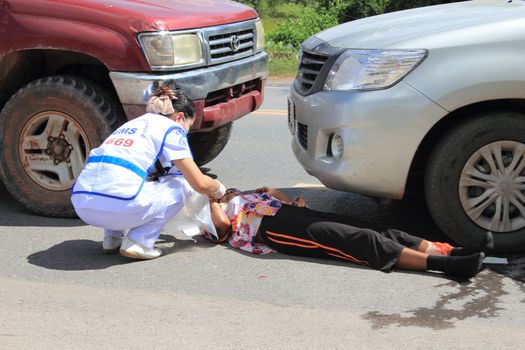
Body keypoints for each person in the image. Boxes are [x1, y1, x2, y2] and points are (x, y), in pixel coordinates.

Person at [71, 85, 226, 260]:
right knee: (181, 184)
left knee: (121, 176)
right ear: (180, 117)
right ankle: (140, 241)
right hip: (120, 207)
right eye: (188, 125)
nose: (186, 132)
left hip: (82, 205)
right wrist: (219, 189)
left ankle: (112, 238)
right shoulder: (172, 128)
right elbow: (199, 183)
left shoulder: (133, 124)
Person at [205, 187, 491, 278]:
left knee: (375, 228)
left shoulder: (237, 193)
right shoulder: (208, 208)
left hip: (290, 212)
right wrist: (212, 197)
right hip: (272, 229)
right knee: (360, 241)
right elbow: (223, 228)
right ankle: (446, 266)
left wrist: (285, 200)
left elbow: (271, 192)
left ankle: (451, 251)